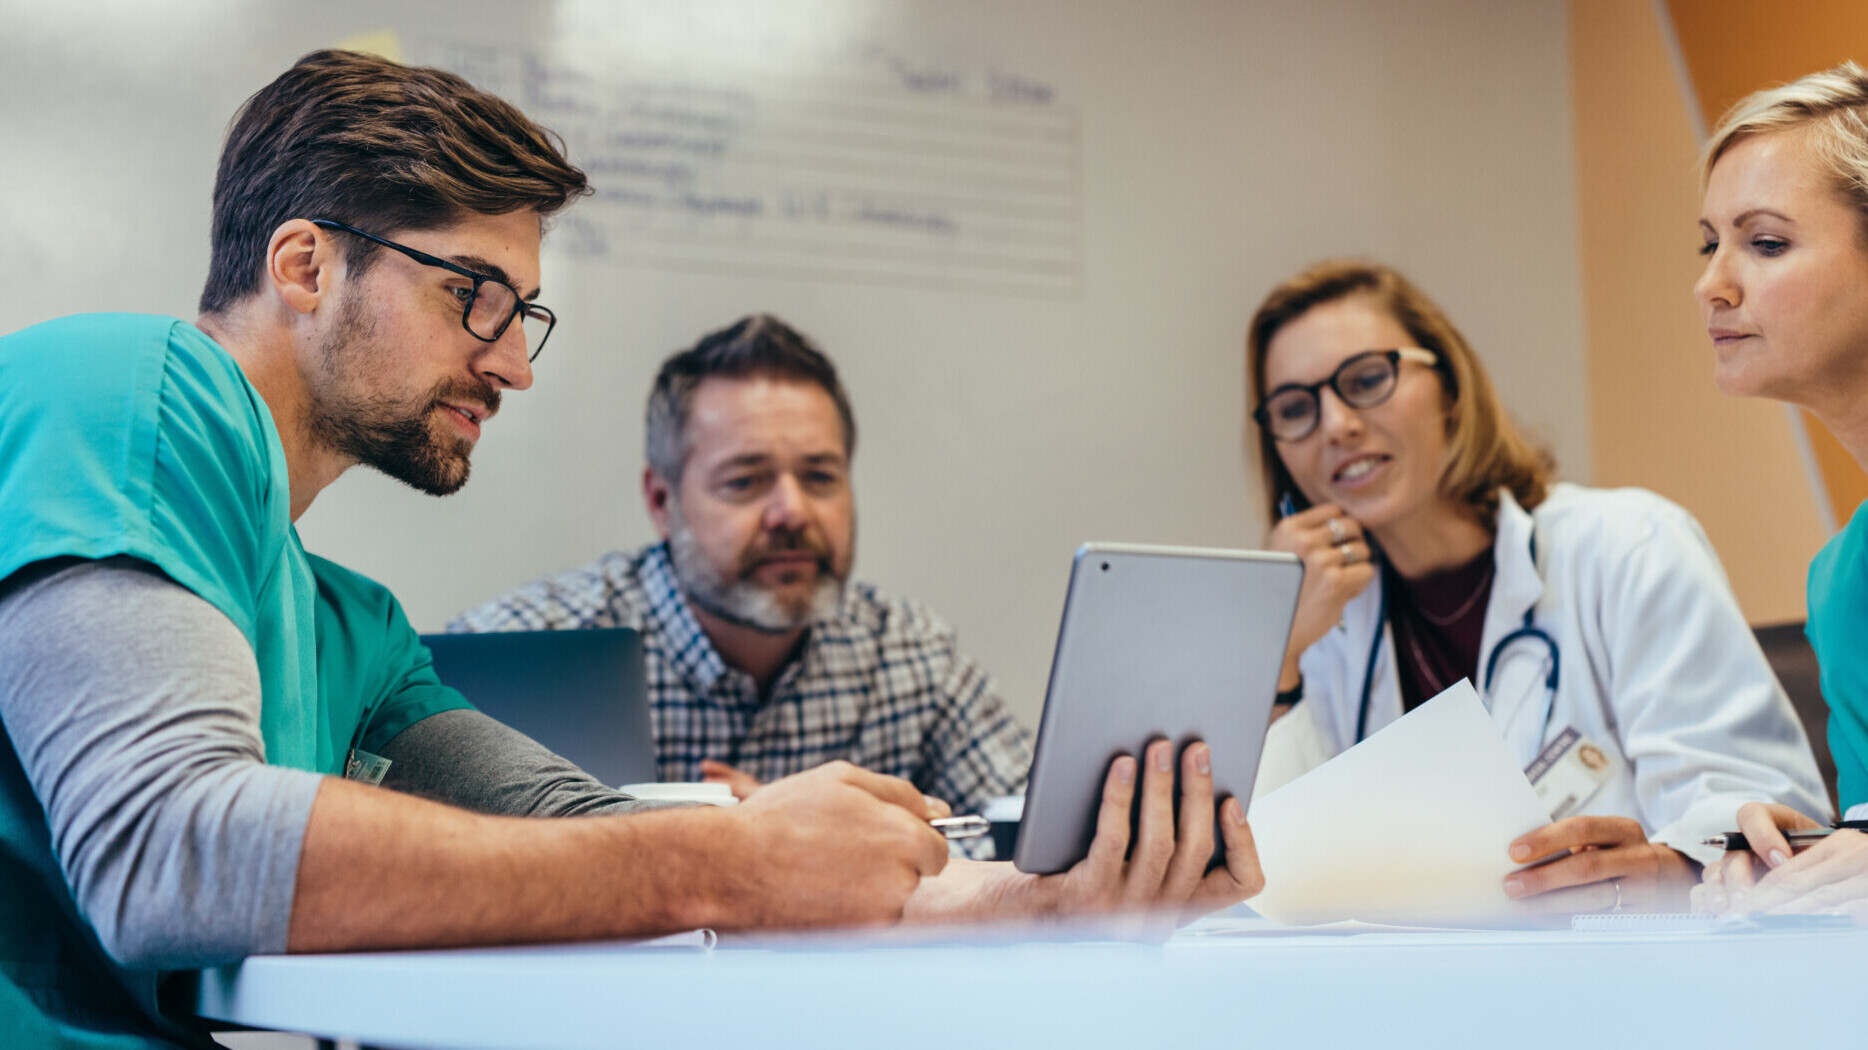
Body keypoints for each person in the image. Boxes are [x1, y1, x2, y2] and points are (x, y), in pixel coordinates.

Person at [0, 51, 1262, 1050]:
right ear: (303, 264)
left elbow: (578, 837)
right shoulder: (135, 387)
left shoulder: (353, 631)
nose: (513, 363)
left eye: (522, 312)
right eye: (471, 297)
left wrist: (1036, 903)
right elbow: (164, 851)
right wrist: (731, 855)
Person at [1245, 260, 1827, 916]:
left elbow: (1761, 819)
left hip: (1640, 986)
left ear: (1449, 388)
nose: (1335, 425)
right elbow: (1273, 887)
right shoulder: (1322, 630)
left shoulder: (1625, 546)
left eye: (1368, 379)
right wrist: (1280, 652)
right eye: (1295, 409)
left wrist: (1665, 870)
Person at [449, 315, 1031, 852]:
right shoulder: (519, 651)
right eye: (746, 481)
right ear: (661, 501)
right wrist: (740, 845)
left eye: (820, 476)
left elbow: (1038, 845)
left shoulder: (912, 654)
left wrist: (825, 842)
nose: (793, 512)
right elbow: (447, 866)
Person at [1688, 62, 1868, 922]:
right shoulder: (1843, 582)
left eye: (1764, 244)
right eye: (1709, 243)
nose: (1711, 284)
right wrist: (1810, 856)